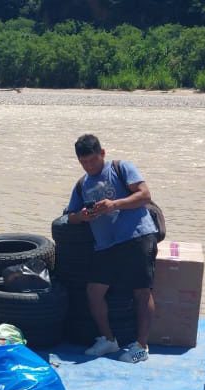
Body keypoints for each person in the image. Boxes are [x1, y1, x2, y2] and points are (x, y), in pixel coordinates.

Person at [64, 134, 157, 363]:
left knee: (141, 292)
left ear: (102, 153)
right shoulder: (81, 184)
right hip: (105, 245)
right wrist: (82, 216)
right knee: (94, 292)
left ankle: (141, 347)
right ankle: (108, 339)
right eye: (84, 162)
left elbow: (144, 195)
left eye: (93, 161)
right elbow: (69, 217)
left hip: (136, 236)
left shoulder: (121, 168)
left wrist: (114, 204)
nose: (89, 166)